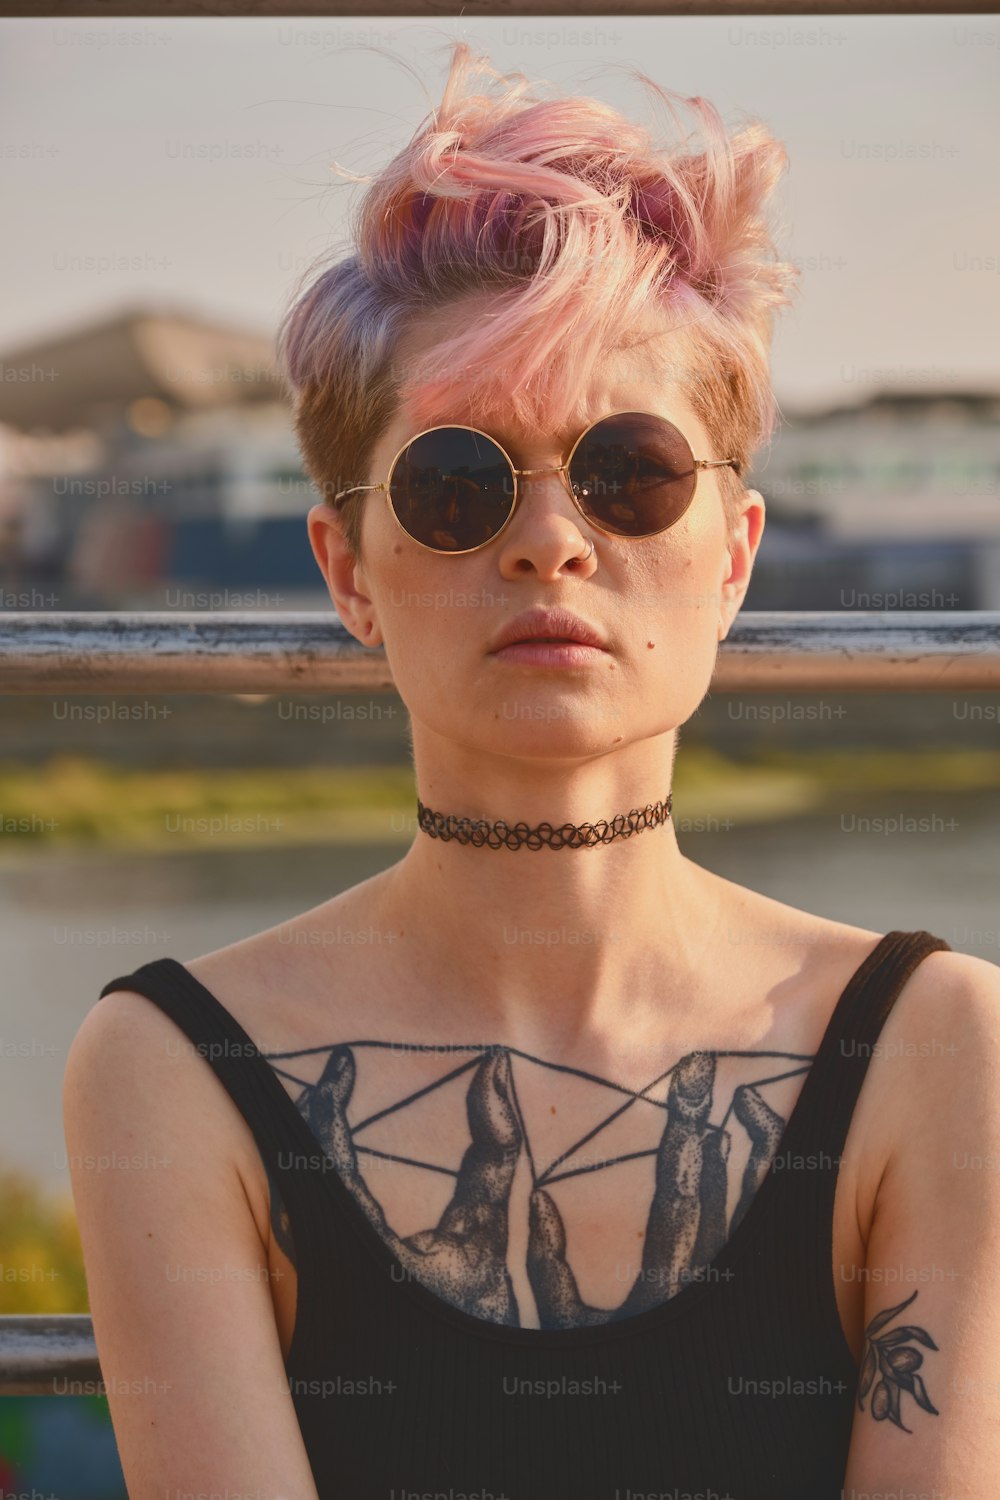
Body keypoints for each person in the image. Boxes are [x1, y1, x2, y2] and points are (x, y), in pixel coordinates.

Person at [63, 41, 1000, 1500]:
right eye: (457, 483)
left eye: (631, 474)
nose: (551, 540)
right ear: (348, 572)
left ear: (736, 554)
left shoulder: (943, 1045)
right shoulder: (170, 1067)